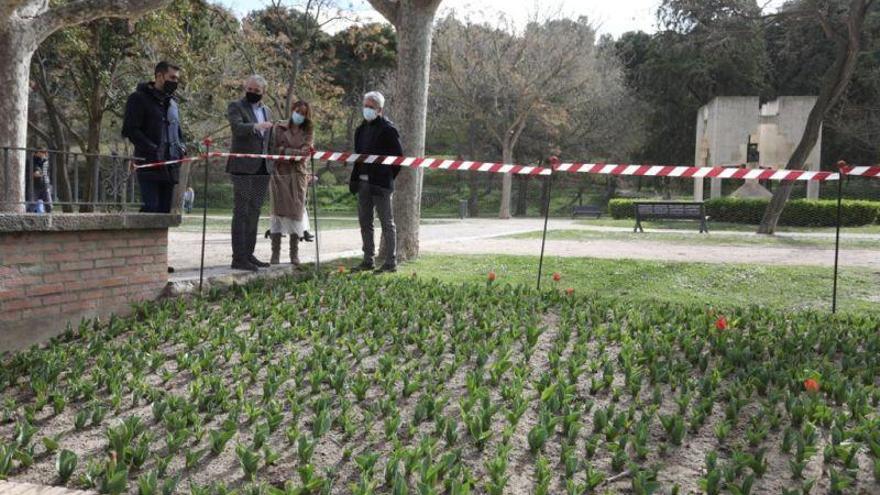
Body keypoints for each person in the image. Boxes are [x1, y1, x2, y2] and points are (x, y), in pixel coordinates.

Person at [349, 91, 403, 273]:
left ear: (379, 109)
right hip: (362, 183)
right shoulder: (360, 130)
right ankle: (368, 259)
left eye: (370, 107)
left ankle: (390, 262)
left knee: (387, 223)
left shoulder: (388, 129)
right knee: (365, 222)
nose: (367, 109)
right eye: (365, 106)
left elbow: (398, 160)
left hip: (380, 185)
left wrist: (386, 178)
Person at [122, 61, 186, 213]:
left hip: (170, 166)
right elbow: (130, 130)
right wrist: (152, 149)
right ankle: (139, 237)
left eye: (177, 79)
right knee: (151, 208)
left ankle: (157, 238)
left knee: (164, 211)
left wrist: (182, 147)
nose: (175, 82)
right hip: (149, 164)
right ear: (159, 76)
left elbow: (177, 131)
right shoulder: (138, 99)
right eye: (172, 77)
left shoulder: (173, 104)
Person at [226, 75, 274, 272]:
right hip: (243, 167)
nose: (252, 93)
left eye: (257, 91)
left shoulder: (267, 111)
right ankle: (238, 257)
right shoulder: (236, 106)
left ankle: (249, 254)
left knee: (254, 210)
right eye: (250, 89)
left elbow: (269, 139)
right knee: (242, 211)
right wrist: (255, 126)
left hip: (262, 168)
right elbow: (237, 128)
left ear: (264, 92)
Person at [268, 100, 316, 267]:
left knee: (296, 213)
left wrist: (286, 150)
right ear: (292, 110)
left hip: (298, 175)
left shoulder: (308, 130)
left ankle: (293, 253)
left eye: (303, 113)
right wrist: (289, 152)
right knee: (277, 213)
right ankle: (275, 254)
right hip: (279, 174)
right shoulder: (279, 127)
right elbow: (274, 149)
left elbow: (306, 153)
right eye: (297, 111)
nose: (299, 115)